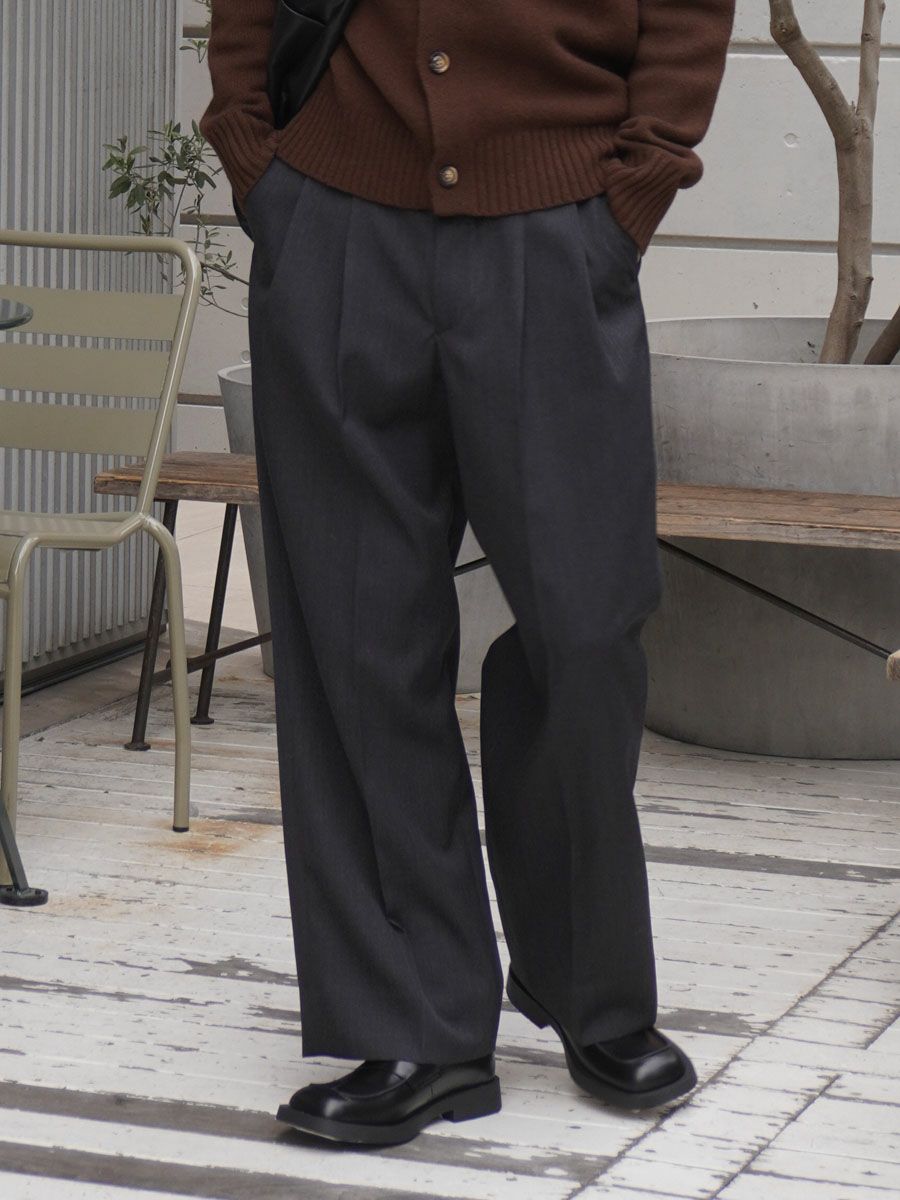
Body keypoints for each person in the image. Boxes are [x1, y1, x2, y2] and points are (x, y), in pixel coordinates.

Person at [200, 0, 736, 1148]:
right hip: (336, 217)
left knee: (586, 626)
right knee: (358, 638)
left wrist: (635, 186)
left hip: (557, 224)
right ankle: (417, 1022)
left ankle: (588, 984)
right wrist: (257, 160)